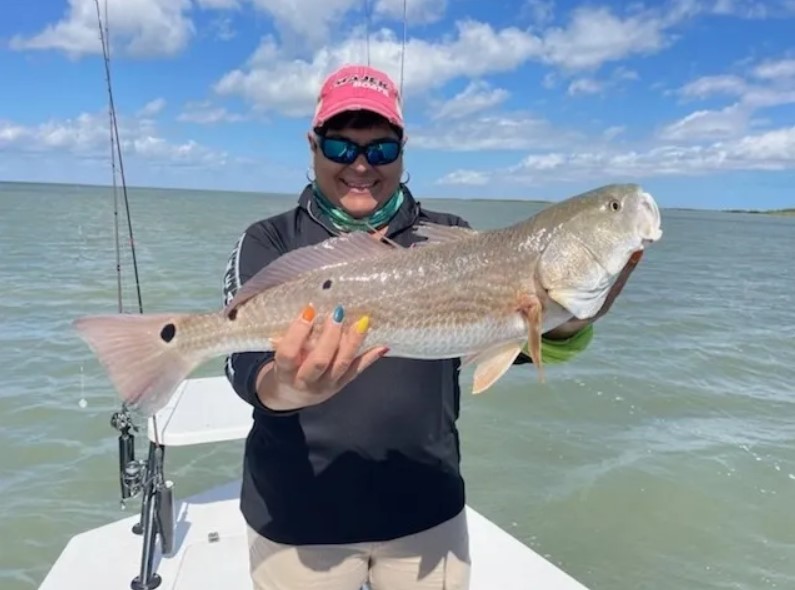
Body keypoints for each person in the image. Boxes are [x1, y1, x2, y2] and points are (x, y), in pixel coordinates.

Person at [222, 63, 640, 590]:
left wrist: (565, 321)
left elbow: (511, 347)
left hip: (426, 512)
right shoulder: (270, 241)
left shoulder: (456, 238)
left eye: (379, 149)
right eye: (339, 147)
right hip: (298, 515)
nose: (359, 165)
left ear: (402, 149)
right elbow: (241, 366)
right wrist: (287, 387)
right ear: (312, 145)